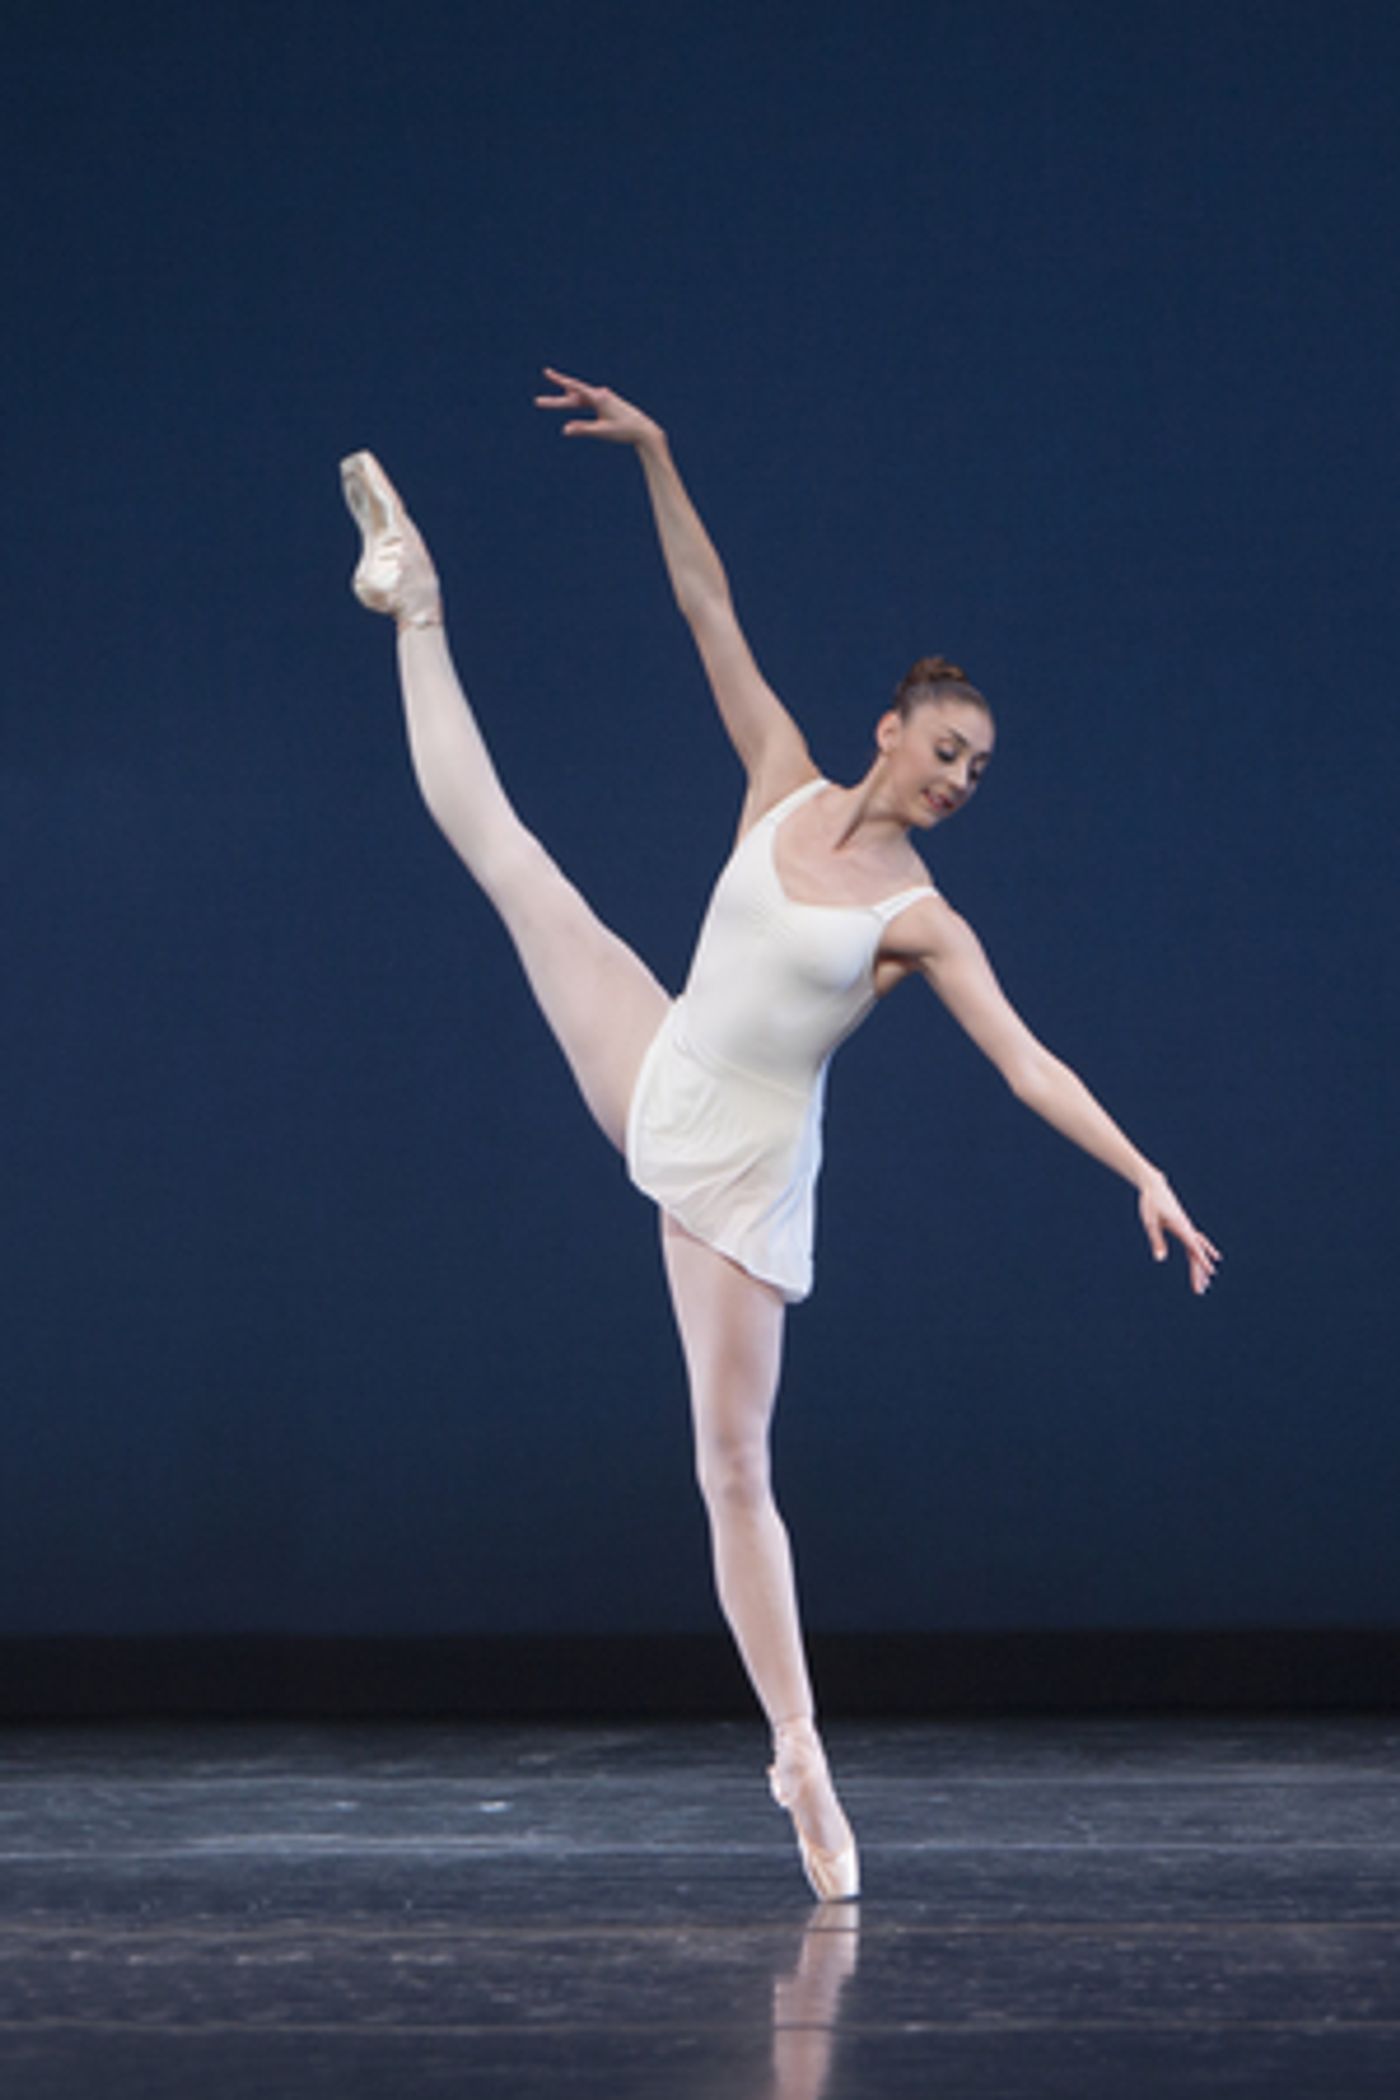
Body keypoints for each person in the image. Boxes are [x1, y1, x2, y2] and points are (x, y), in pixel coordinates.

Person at [339, 368, 1220, 1902]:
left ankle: (800, 1754)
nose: (958, 780)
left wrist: (1140, 1167)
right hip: (665, 1064)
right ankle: (414, 596)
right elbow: (704, 603)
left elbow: (1025, 1065)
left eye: (976, 772)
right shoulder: (781, 777)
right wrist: (660, 456)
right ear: (891, 728)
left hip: (743, 1179)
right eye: (946, 748)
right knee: (510, 856)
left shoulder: (917, 920)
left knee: (731, 1471)